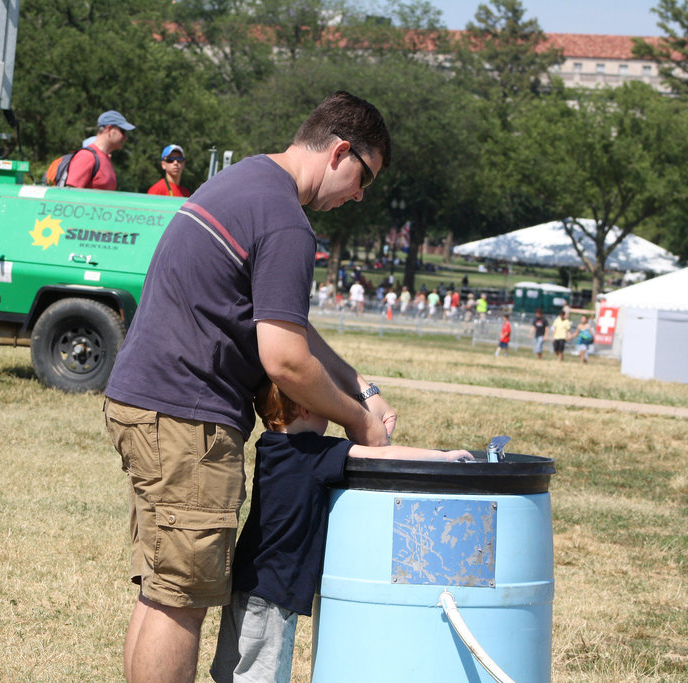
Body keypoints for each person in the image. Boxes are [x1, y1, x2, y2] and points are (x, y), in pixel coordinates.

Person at [103, 91, 394, 683]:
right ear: (341, 151)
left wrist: (357, 383)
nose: (360, 195)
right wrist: (359, 422)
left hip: (148, 401)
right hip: (187, 417)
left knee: (163, 593)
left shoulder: (247, 182)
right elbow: (285, 361)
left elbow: (284, 319)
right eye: (364, 177)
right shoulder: (287, 221)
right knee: (180, 600)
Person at [209, 383, 472, 683]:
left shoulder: (269, 445)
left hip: (247, 581)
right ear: (306, 409)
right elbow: (382, 456)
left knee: (233, 673)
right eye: (328, 411)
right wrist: (443, 457)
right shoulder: (311, 453)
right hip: (275, 590)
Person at [66, 110, 136, 190]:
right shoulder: (87, 156)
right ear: (109, 129)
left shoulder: (105, 158)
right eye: (123, 131)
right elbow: (70, 196)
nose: (125, 137)